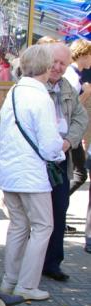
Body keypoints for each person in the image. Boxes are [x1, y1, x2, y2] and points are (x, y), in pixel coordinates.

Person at [0, 44, 65, 301]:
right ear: (47, 68)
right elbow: (49, 144)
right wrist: (60, 151)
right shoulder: (40, 97)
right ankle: (26, 285)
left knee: (17, 226)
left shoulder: (14, 92)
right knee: (42, 226)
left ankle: (9, 280)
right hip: (32, 175)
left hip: (9, 172)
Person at [41, 43, 88, 282]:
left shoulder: (67, 86)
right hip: (37, 161)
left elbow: (81, 117)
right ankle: (30, 263)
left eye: (63, 63)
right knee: (37, 216)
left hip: (61, 158)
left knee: (60, 209)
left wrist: (70, 140)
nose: (58, 68)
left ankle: (52, 263)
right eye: (55, 63)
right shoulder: (34, 86)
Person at [64, 39, 91, 196]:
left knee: (78, 173)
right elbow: (69, 107)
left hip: (72, 131)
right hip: (70, 131)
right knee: (79, 173)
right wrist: (86, 94)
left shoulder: (76, 75)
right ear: (84, 55)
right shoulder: (72, 77)